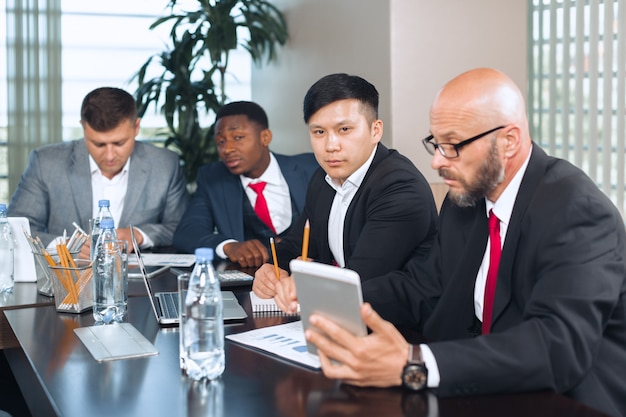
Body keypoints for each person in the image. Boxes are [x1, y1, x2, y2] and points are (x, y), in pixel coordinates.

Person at [302, 68, 626, 417]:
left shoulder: (576, 210)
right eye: (436, 143)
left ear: (509, 141)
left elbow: (556, 346)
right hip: (481, 387)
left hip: (565, 401)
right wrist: (335, 301)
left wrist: (417, 363)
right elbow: (423, 287)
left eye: (453, 145)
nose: (437, 161)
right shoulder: (466, 201)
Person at [253, 73, 438, 306]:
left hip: (400, 329)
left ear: (375, 131)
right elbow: (295, 244)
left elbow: (359, 280)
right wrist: (271, 268)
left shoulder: (400, 187)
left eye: (345, 130)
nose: (331, 146)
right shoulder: (323, 179)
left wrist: (303, 279)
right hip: (340, 318)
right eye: (319, 132)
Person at [8, 87, 189, 255]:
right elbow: (14, 228)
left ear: (136, 127)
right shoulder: (46, 162)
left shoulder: (165, 164)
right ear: (84, 127)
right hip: (65, 285)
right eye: (98, 144)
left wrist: (138, 235)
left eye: (119, 143)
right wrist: (65, 247)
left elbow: (183, 228)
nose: (109, 155)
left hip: (140, 284)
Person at [173, 101, 319, 267]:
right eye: (220, 142)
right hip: (254, 281)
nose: (227, 149)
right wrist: (228, 246)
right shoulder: (213, 179)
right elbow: (187, 232)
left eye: (238, 138)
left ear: (265, 137)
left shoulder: (311, 168)